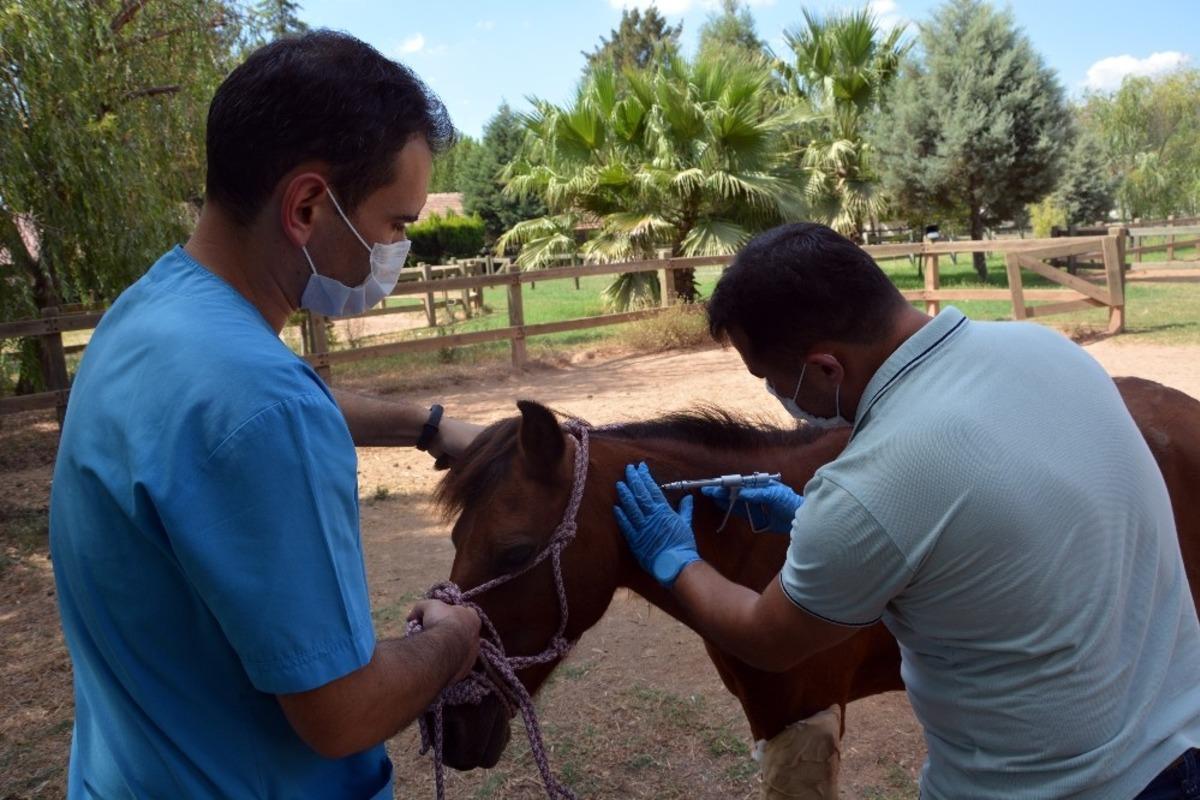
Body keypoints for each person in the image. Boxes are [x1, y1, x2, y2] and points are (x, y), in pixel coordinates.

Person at [613, 222, 1200, 799]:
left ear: (825, 369)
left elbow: (767, 639)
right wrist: (811, 521)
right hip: (1182, 747)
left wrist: (677, 560)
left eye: (771, 378)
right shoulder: (1044, 347)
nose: (777, 396)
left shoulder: (869, 485)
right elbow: (998, 522)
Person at [50, 32, 484, 799]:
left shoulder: (151, 316)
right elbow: (342, 715)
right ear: (308, 205)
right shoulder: (261, 407)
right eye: (394, 223)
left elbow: (258, 407)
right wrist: (453, 640)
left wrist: (427, 425)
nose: (396, 248)